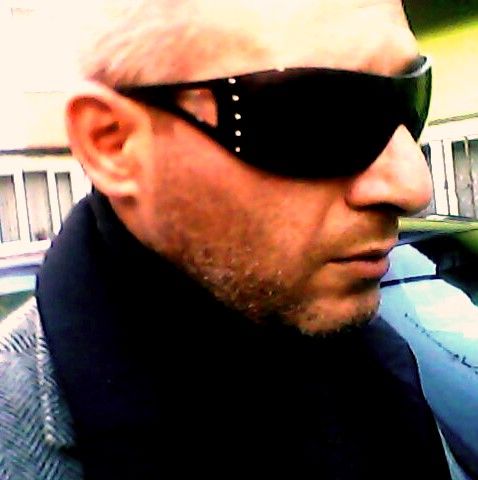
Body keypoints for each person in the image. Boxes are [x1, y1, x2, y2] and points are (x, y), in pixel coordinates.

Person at [0, 0, 463, 478]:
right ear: (113, 143)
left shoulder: (374, 364)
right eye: (319, 116)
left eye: (410, 96)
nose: (413, 187)